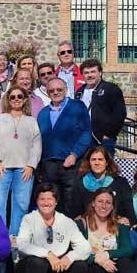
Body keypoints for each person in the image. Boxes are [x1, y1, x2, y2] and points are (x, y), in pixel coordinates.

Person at [17, 184, 92, 273]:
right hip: (34, 268)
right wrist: (47, 254)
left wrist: (70, 257)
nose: (46, 203)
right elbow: (22, 244)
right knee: (36, 261)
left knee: (81, 264)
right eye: (42, 199)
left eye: (50, 199)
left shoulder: (67, 222)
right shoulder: (29, 219)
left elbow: (85, 247)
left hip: (59, 267)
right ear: (37, 201)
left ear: (56, 202)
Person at [0, 85, 41, 236]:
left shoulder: (31, 121)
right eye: (13, 97)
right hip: (2, 167)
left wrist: (31, 165)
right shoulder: (0, 119)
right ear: (8, 100)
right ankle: (0, 236)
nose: (16, 99)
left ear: (25, 100)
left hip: (23, 169)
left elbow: (36, 146)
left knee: (22, 204)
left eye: (20, 97)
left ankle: (15, 238)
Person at [37, 77, 92, 214]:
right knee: (52, 201)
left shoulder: (77, 107)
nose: (55, 92)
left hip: (71, 163)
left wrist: (74, 154)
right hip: (49, 165)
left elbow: (86, 132)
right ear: (47, 92)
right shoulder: (43, 113)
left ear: (66, 90)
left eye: (59, 89)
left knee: (71, 202)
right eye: (51, 90)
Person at [74, 58, 127, 155]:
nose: (89, 75)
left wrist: (108, 134)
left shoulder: (111, 89)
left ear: (100, 73)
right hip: (83, 139)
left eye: (93, 72)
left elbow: (120, 113)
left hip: (103, 139)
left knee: (104, 167)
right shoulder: (79, 92)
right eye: (86, 73)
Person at [68, 146, 134, 223]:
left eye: (100, 159)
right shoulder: (80, 183)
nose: (97, 163)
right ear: (89, 162)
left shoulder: (120, 183)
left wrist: (127, 220)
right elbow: (75, 211)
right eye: (93, 160)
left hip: (115, 225)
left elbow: (130, 210)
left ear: (107, 162)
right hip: (90, 226)